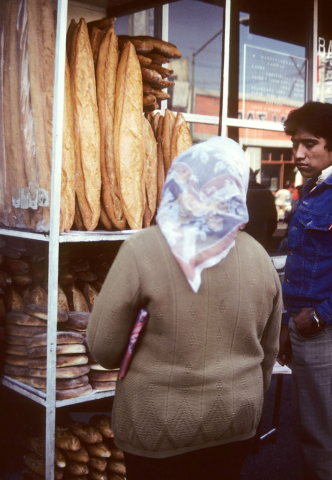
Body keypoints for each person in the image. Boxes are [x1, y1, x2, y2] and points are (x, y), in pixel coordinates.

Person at [87, 137, 282, 480]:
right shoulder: (260, 258)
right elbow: (268, 352)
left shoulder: (142, 249)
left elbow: (104, 348)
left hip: (156, 428)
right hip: (235, 422)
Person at [277, 101, 332, 480]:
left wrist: (319, 315)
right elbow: (297, 265)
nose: (298, 153)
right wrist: (286, 324)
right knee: (307, 431)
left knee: (322, 439)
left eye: (310, 143)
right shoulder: (312, 190)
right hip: (304, 328)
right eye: (295, 143)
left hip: (323, 331)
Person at [243, 168, 277, 249]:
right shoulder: (265, 191)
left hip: (244, 234)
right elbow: (273, 220)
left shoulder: (239, 191)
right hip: (260, 234)